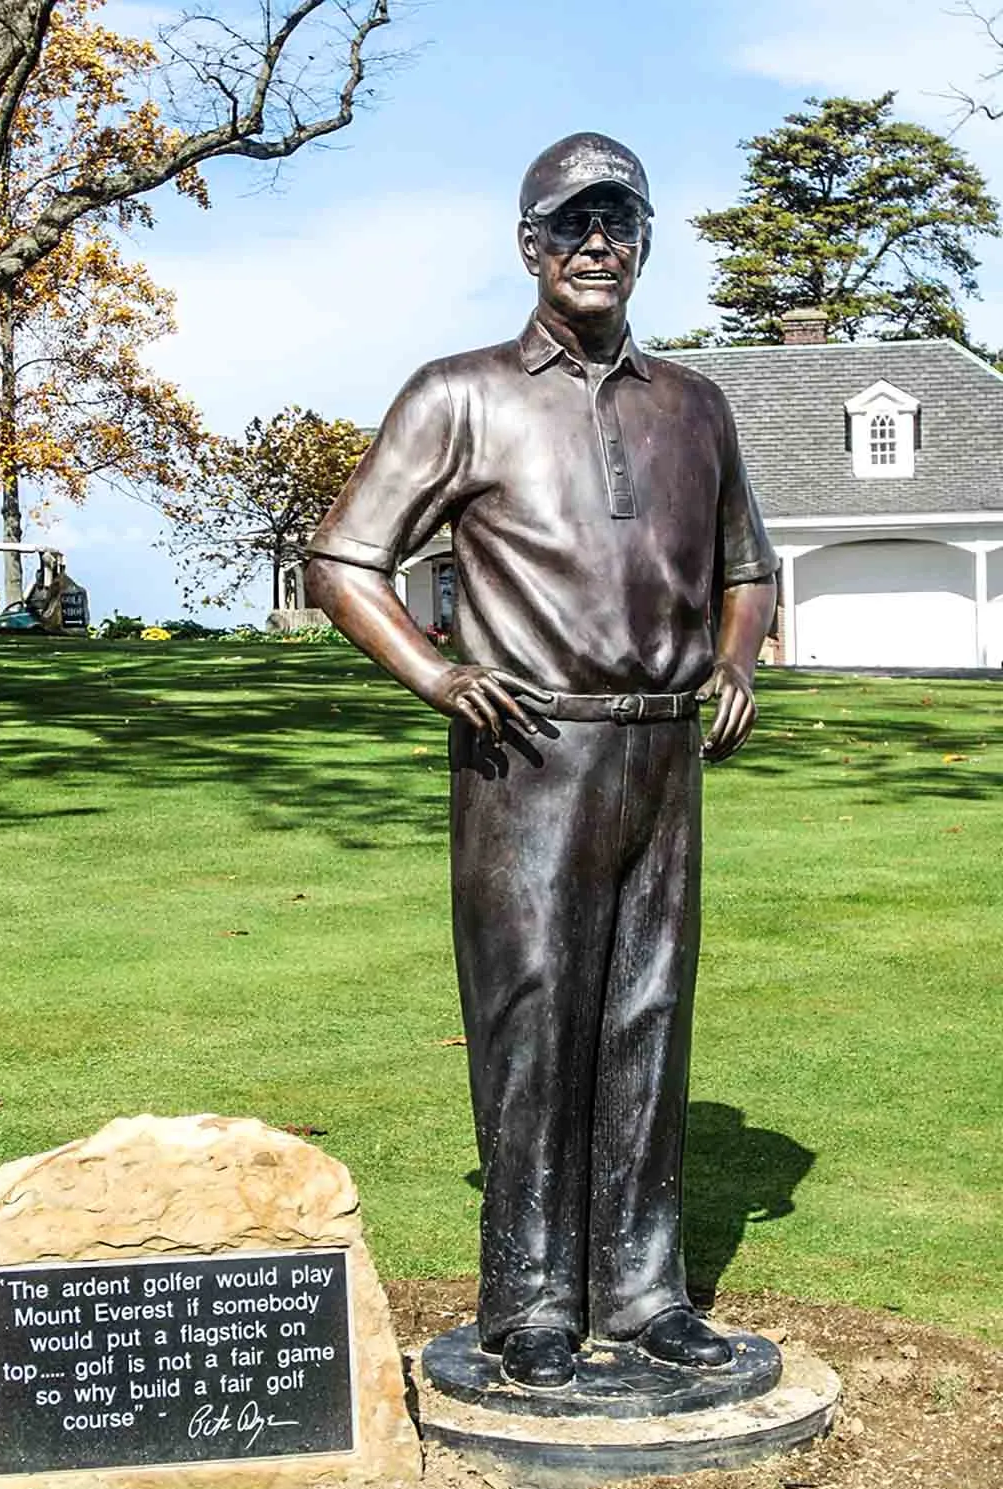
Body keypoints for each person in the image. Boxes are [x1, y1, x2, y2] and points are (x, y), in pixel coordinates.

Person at [305, 133, 779, 1390]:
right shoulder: (458, 394)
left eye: (619, 223)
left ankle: (642, 1289)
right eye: (571, 226)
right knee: (530, 1019)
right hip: (528, 751)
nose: (596, 247)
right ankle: (528, 1301)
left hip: (662, 754)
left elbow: (747, 568)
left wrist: (735, 662)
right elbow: (347, 561)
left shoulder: (696, 404)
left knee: (646, 1016)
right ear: (529, 245)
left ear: (644, 242)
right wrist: (440, 674)